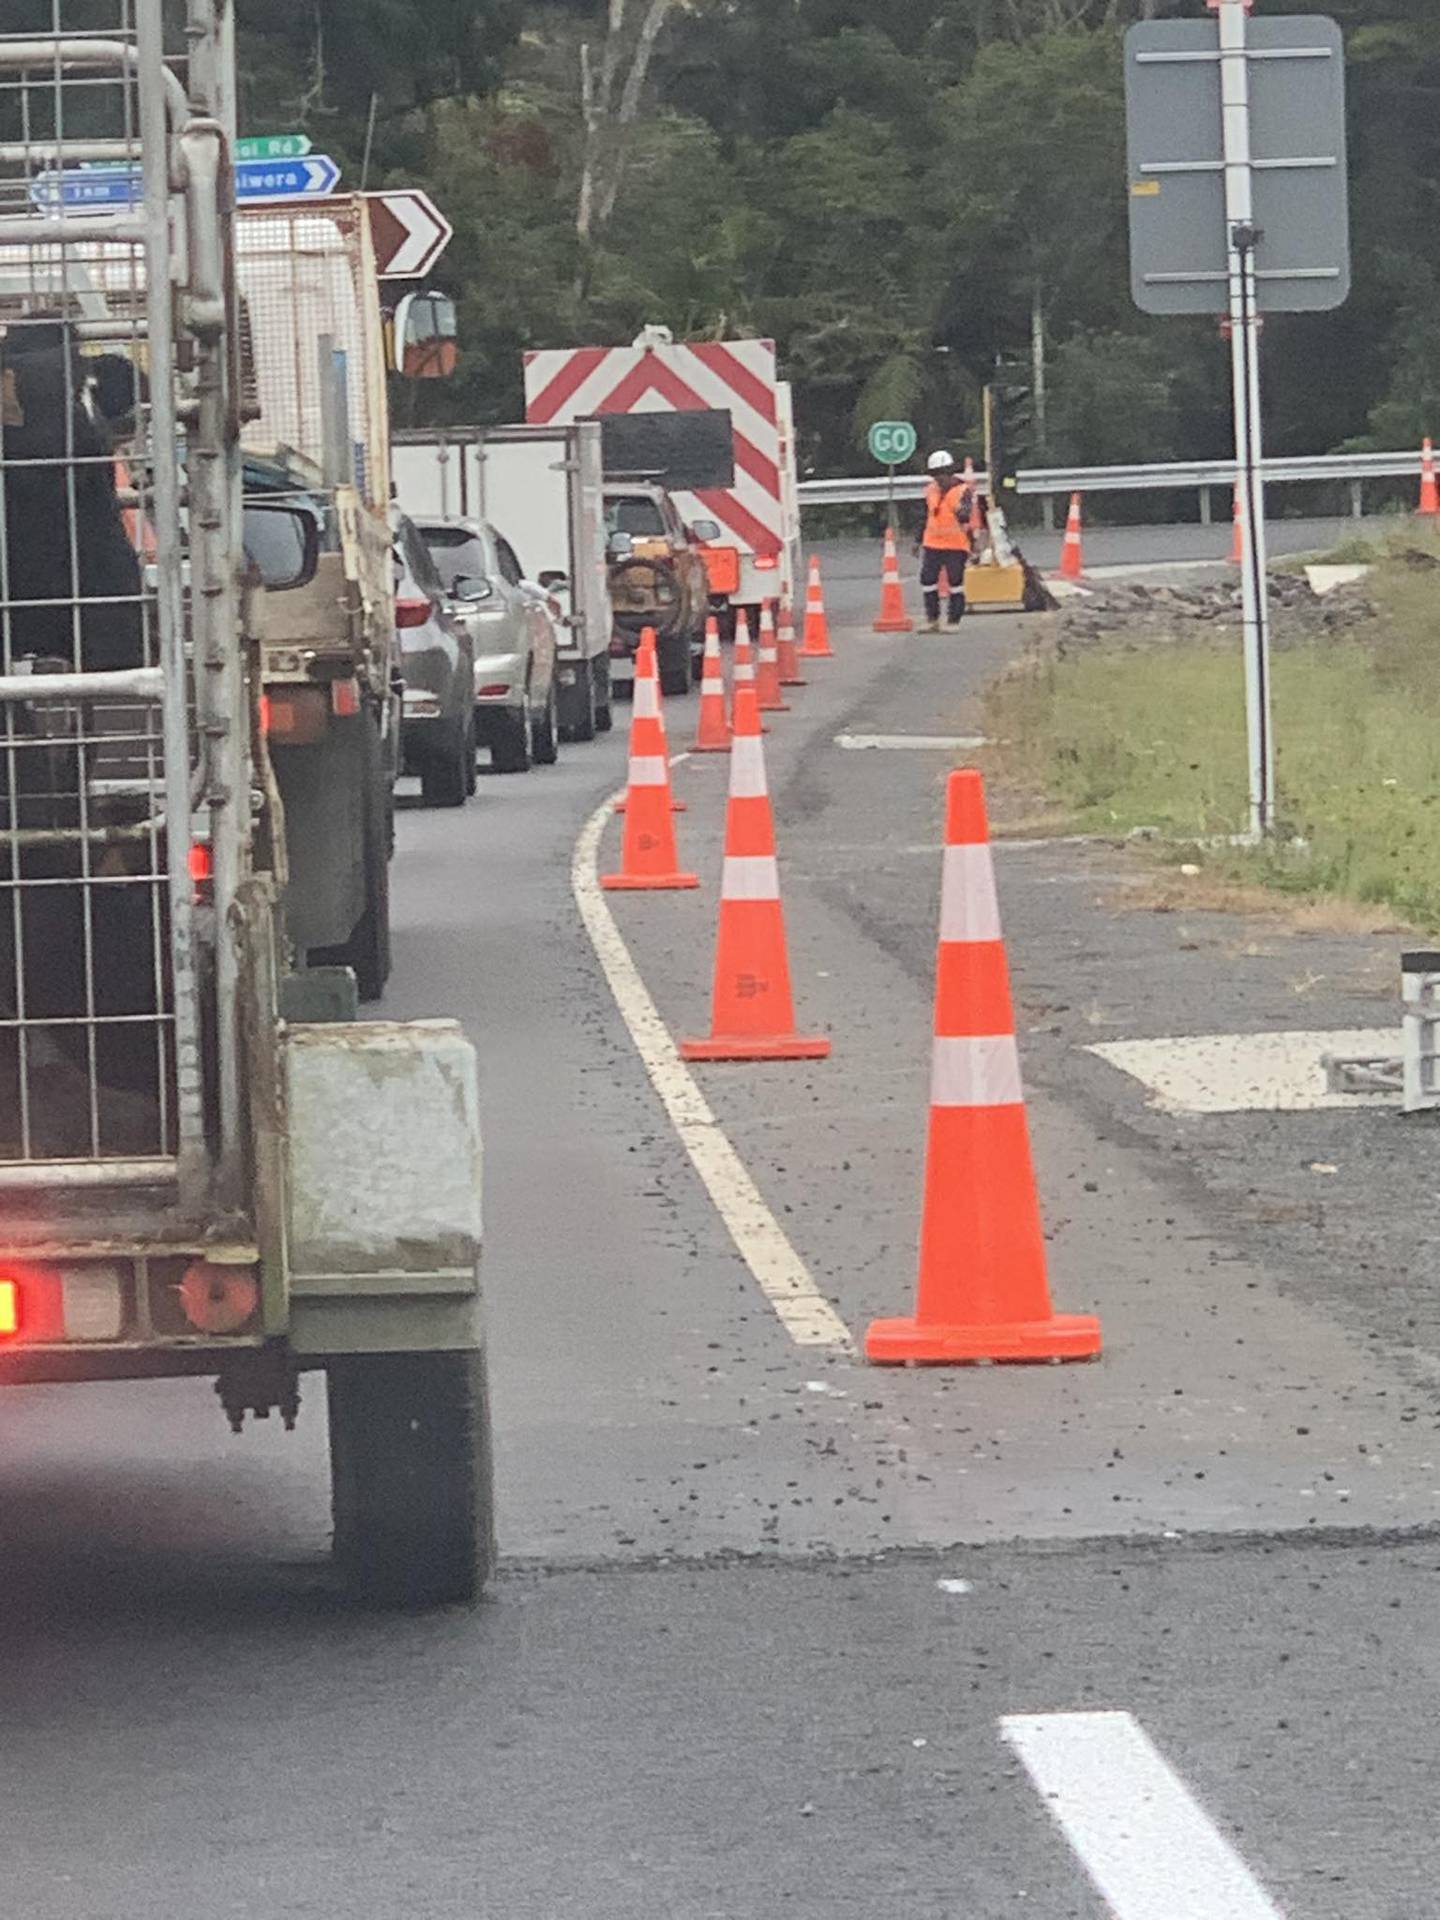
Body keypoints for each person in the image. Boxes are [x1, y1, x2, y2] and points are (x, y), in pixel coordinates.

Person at [914, 449, 974, 632]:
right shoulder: (931, 489)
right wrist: (917, 541)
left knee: (955, 582)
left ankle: (953, 621)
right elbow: (925, 517)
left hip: (956, 544)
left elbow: (965, 515)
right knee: (927, 580)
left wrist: (973, 543)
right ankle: (932, 619)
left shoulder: (963, 490)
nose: (938, 479)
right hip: (932, 543)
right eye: (935, 475)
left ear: (950, 472)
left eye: (941, 474)